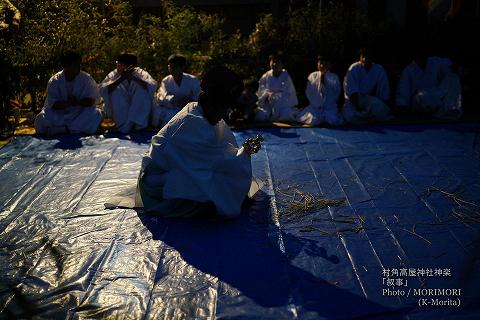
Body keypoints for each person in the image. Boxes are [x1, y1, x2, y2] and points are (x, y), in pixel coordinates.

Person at [135, 66, 262, 218]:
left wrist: (241, 155)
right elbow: (214, 163)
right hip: (158, 184)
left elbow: (217, 151)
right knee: (220, 191)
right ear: (211, 105)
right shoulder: (194, 123)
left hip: (176, 169)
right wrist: (243, 155)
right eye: (223, 109)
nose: (224, 115)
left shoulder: (201, 112)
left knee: (227, 183)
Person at [34, 51, 103, 136]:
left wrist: (78, 102)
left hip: (79, 113)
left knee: (95, 114)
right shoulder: (54, 80)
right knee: (41, 118)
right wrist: (68, 103)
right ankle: (71, 129)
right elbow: (53, 104)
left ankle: (63, 129)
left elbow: (92, 100)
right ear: (66, 66)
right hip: (60, 114)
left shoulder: (86, 79)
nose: (79, 67)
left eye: (79, 64)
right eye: (75, 65)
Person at [395, 46, 462, 120]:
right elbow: (403, 91)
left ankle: (450, 109)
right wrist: (402, 106)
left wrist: (454, 66)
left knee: (453, 77)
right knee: (422, 97)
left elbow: (449, 66)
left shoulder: (435, 61)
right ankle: (442, 110)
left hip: (437, 95)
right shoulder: (408, 70)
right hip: (420, 99)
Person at [99, 53, 157, 133]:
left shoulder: (140, 73)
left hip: (136, 106)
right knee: (116, 91)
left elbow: (152, 86)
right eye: (118, 64)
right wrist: (121, 78)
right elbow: (103, 90)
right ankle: (122, 124)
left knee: (143, 92)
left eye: (121, 64)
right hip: (120, 111)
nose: (118, 66)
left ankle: (137, 124)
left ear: (131, 66)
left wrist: (133, 77)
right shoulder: (113, 74)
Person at [342, 47, 391, 125]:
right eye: (363, 56)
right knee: (349, 115)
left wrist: (378, 105)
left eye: (367, 56)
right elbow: (352, 92)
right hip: (354, 100)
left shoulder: (379, 69)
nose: (365, 59)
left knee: (380, 109)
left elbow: (383, 92)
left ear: (372, 57)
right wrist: (359, 107)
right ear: (360, 57)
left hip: (369, 100)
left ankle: (366, 118)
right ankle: (369, 118)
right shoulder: (354, 68)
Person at [151, 54, 200, 128]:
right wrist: (173, 99)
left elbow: (199, 96)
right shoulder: (166, 80)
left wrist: (189, 101)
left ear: (182, 67)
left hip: (188, 109)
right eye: (170, 66)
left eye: (175, 67)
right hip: (171, 107)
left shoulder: (193, 80)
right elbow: (161, 97)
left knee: (186, 115)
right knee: (157, 110)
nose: (171, 69)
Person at [296, 55, 344, 126]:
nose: (321, 65)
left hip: (329, 107)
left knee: (332, 119)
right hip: (315, 107)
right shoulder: (312, 75)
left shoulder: (334, 77)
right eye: (320, 63)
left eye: (324, 64)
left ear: (329, 66)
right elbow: (309, 92)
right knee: (313, 120)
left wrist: (326, 83)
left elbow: (336, 93)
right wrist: (317, 103)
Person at [255, 52, 298, 122]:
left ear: (282, 64)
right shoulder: (266, 75)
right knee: (260, 116)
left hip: (282, 104)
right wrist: (267, 94)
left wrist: (276, 96)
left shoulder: (286, 76)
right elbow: (261, 90)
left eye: (277, 62)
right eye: (273, 62)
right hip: (268, 104)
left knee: (286, 116)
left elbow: (289, 93)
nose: (274, 64)